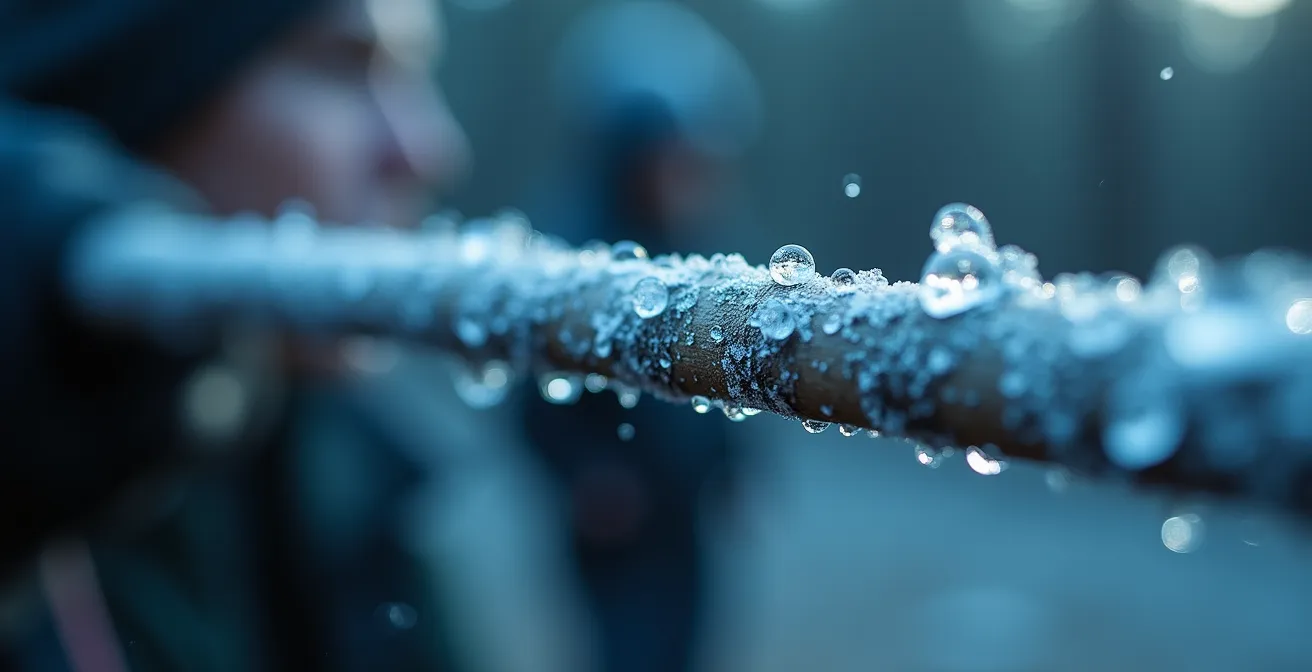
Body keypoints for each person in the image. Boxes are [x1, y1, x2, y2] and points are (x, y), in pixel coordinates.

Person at [0, 0, 472, 669]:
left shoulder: (365, 477)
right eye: (342, 65)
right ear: (141, 97)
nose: (425, 149)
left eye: (415, 72)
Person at [519, 4, 761, 671]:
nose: (684, 178)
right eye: (667, 161)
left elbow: (727, 370)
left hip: (682, 509)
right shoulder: (574, 257)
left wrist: (732, 466)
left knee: (686, 646)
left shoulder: (693, 251)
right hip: (616, 520)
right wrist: (585, 473)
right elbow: (531, 399)